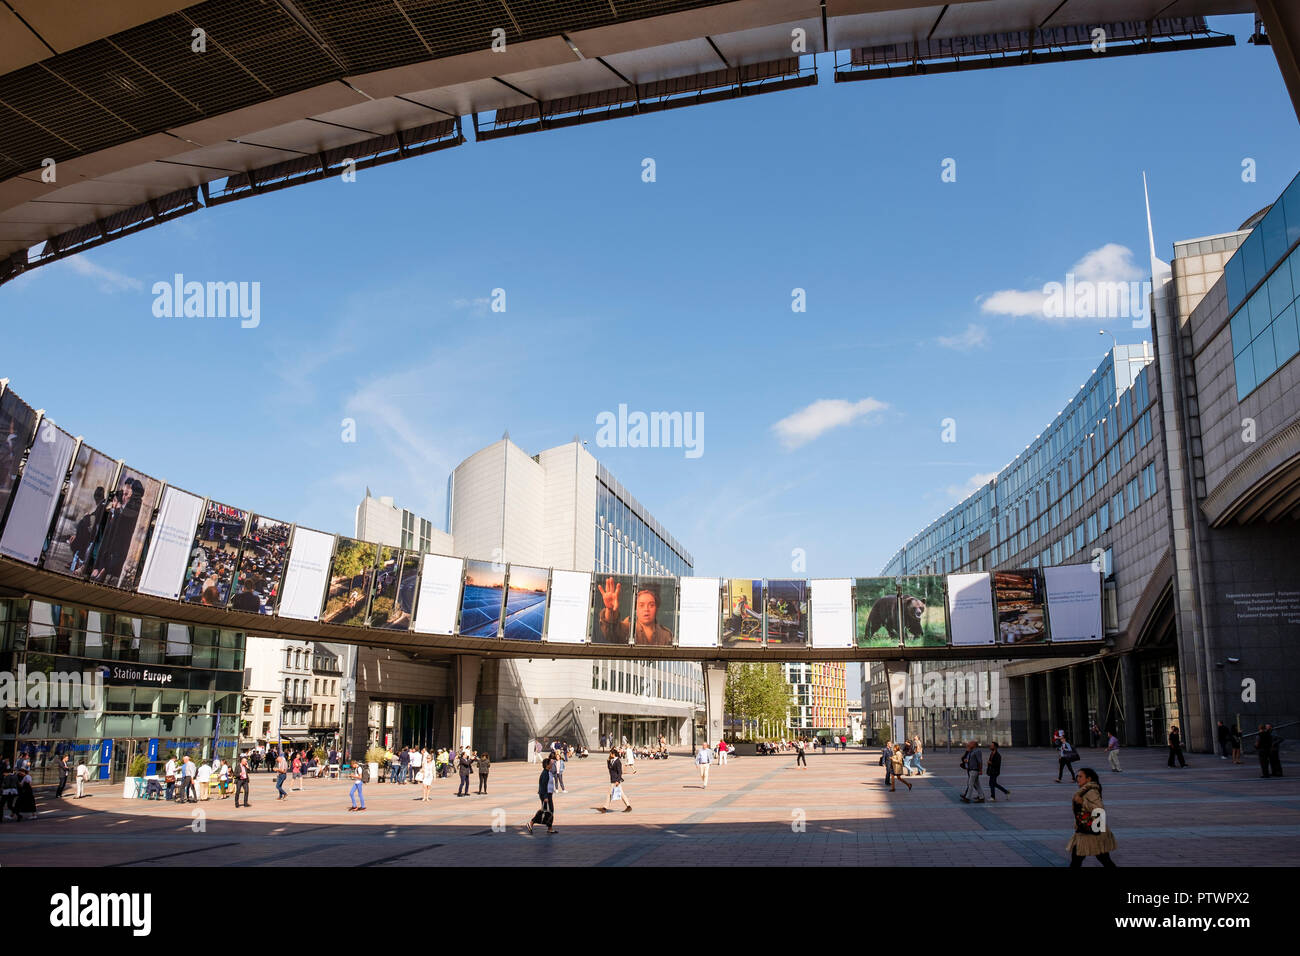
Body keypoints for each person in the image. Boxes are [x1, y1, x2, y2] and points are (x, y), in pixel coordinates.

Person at [1067, 767, 1117, 867]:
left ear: (1088, 779)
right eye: (1077, 776)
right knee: (1103, 858)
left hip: (1091, 831)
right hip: (1088, 830)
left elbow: (1099, 809)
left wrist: (1082, 802)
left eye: (1081, 776)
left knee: (1078, 859)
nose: (1078, 779)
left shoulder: (1091, 792)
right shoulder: (1085, 790)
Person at [597, 579, 674, 645]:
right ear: (636, 609)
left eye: (651, 605)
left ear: (656, 608)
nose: (646, 609)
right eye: (641, 605)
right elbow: (611, 630)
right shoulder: (627, 629)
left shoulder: (666, 635)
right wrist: (610, 610)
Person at [527, 757, 557, 834]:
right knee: (548, 811)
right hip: (545, 795)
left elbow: (555, 770)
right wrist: (545, 797)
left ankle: (549, 828)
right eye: (550, 764)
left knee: (548, 811)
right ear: (547, 765)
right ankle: (531, 822)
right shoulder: (545, 774)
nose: (551, 765)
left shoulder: (548, 772)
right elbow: (543, 786)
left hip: (548, 794)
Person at [603, 749, 631, 813]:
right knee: (621, 794)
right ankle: (628, 806)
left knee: (610, 793)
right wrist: (608, 761)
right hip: (613, 779)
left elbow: (620, 772)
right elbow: (609, 768)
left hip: (615, 780)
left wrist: (618, 781)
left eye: (610, 753)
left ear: (613, 754)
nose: (610, 755)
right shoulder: (611, 760)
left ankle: (605, 807)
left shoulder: (618, 761)